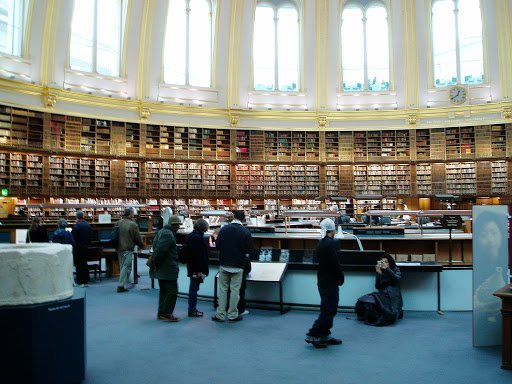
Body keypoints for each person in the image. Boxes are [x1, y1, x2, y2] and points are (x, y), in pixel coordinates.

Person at [305, 218, 344, 348]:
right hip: (330, 280)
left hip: (322, 280)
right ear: (332, 229)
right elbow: (335, 262)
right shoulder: (331, 244)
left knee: (326, 307)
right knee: (330, 309)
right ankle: (314, 333)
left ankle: (325, 334)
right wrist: (341, 276)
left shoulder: (321, 243)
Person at [212, 210, 253, 322]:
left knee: (223, 290)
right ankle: (232, 314)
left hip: (224, 264)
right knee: (235, 291)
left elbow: (217, 245)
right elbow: (249, 249)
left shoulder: (224, 229)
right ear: (243, 219)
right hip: (238, 265)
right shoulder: (245, 232)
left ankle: (220, 314)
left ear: (233, 217)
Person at [355, 253, 403, 326]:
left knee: (388, 316)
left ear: (390, 262)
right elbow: (378, 286)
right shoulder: (381, 271)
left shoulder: (396, 270)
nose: (384, 264)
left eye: (386, 262)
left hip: (392, 298)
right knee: (364, 300)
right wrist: (378, 274)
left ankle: (397, 312)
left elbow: (396, 279)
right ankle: (363, 315)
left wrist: (387, 269)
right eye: (382, 262)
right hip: (381, 296)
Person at [151, 215, 182, 322]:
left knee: (164, 291)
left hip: (163, 268)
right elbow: (160, 251)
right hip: (167, 268)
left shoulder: (161, 232)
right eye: (178, 225)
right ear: (174, 225)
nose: (179, 227)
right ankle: (167, 313)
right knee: (172, 291)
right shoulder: (168, 235)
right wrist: (158, 263)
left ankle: (161, 312)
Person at [115, 207, 144, 293]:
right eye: (133, 213)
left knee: (122, 265)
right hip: (128, 247)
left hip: (119, 247)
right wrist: (141, 245)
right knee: (126, 266)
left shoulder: (118, 222)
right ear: (130, 214)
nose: (134, 215)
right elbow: (137, 237)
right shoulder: (132, 224)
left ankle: (122, 282)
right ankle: (120, 286)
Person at [186, 218, 210, 317]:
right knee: (194, 289)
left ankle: (192, 309)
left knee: (194, 288)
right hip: (196, 268)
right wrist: (199, 270)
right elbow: (198, 256)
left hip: (192, 266)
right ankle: (192, 310)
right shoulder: (197, 238)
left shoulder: (191, 235)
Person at [72, 210, 93, 286]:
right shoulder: (87, 225)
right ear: (83, 216)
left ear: (76, 217)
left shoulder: (76, 226)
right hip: (86, 247)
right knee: (84, 264)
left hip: (78, 248)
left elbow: (73, 238)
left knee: (79, 265)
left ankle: (80, 281)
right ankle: (86, 280)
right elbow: (91, 236)